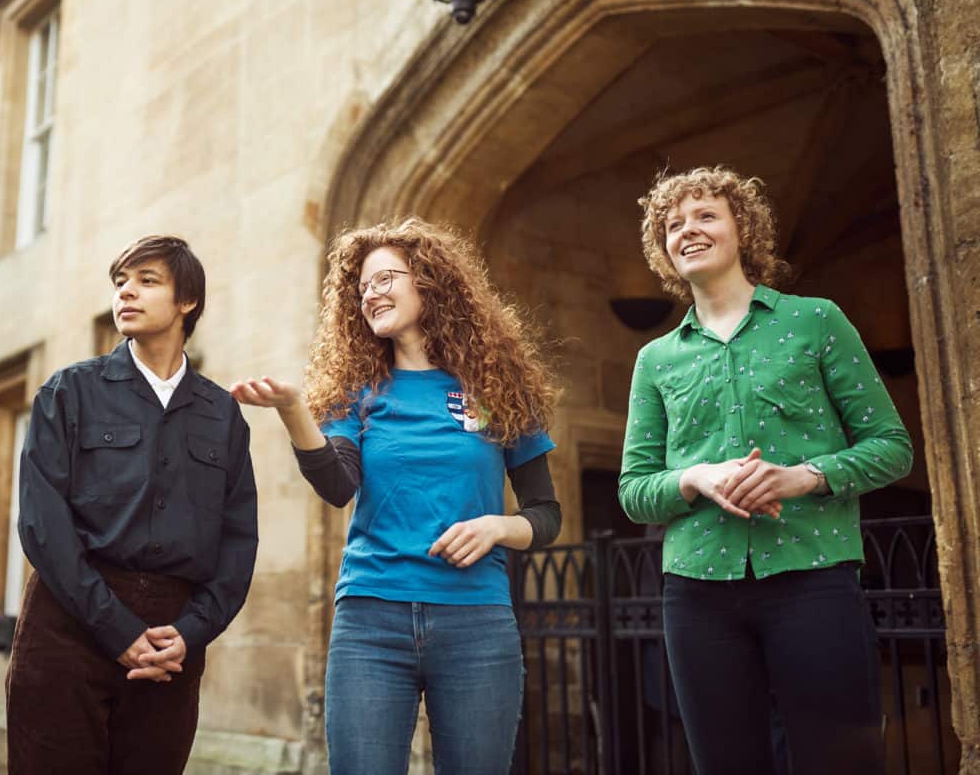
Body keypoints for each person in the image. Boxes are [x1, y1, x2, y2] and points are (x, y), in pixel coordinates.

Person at [231, 217, 561, 775]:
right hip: (370, 622)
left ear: (430, 282)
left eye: (385, 279)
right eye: (361, 288)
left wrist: (497, 527)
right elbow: (337, 486)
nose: (370, 294)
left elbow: (545, 514)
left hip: (476, 622)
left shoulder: (500, 390)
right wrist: (294, 412)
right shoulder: (355, 393)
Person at [619, 166, 912, 775]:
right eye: (673, 225)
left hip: (814, 575)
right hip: (697, 594)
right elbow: (633, 490)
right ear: (664, 251)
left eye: (705, 216)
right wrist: (693, 480)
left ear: (741, 229)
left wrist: (803, 476)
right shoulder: (655, 359)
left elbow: (892, 446)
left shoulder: (816, 320)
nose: (688, 231)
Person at [6, 235, 259, 775]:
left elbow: (239, 540)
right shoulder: (68, 393)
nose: (126, 293)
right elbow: (41, 521)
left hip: (172, 642)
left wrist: (193, 632)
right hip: (67, 625)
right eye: (121, 282)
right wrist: (115, 628)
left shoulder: (222, 414)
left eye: (147, 281)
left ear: (186, 301)